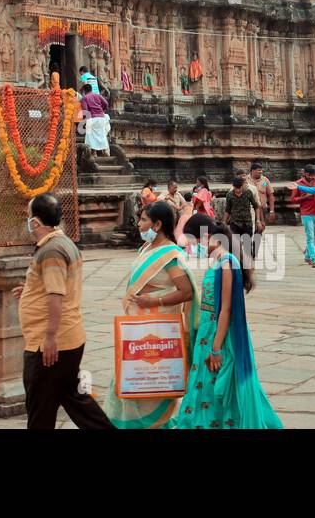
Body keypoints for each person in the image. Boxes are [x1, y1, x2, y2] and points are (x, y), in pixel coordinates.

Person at [12, 193, 113, 430]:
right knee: (75, 400)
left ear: (35, 222)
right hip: (70, 338)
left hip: (49, 345)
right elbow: (59, 285)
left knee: (40, 409)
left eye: (28, 216)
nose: (27, 221)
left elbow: (56, 296)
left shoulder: (52, 251)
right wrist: (30, 290)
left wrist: (49, 337)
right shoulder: (63, 243)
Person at [172, 223, 282, 429]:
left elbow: (226, 309)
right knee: (202, 382)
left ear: (212, 237)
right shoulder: (216, 262)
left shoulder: (227, 263)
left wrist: (216, 348)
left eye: (196, 240)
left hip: (218, 334)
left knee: (216, 382)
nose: (195, 246)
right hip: (206, 331)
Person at [103, 201, 201, 429]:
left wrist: (154, 301)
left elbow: (186, 292)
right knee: (127, 381)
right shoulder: (145, 249)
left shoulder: (170, 255)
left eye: (143, 220)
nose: (139, 224)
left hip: (159, 332)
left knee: (153, 385)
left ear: (157, 224)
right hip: (136, 331)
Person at [218, 175, 262, 273]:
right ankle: (236, 266)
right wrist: (224, 222)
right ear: (233, 186)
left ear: (242, 186)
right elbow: (227, 210)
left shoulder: (248, 193)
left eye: (239, 188)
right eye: (235, 188)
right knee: (234, 245)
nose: (237, 190)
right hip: (234, 223)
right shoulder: (229, 195)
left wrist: (258, 220)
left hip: (247, 223)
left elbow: (256, 207)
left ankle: (248, 267)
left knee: (247, 246)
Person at [294, 165, 315, 267]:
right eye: (310, 175)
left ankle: (307, 256)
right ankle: (314, 259)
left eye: (314, 175)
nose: (312, 177)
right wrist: (305, 197)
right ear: (305, 174)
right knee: (310, 237)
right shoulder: (298, 183)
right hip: (306, 213)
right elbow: (293, 199)